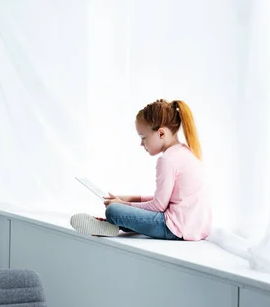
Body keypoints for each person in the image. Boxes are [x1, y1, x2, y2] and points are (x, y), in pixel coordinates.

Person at [70, 99, 212, 241]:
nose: (141, 143)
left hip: (174, 228)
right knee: (123, 210)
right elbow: (169, 200)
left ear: (161, 134)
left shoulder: (167, 160)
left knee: (113, 211)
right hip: (193, 227)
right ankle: (116, 224)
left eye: (143, 137)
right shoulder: (184, 152)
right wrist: (132, 199)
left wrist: (123, 205)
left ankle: (114, 221)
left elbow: (159, 206)